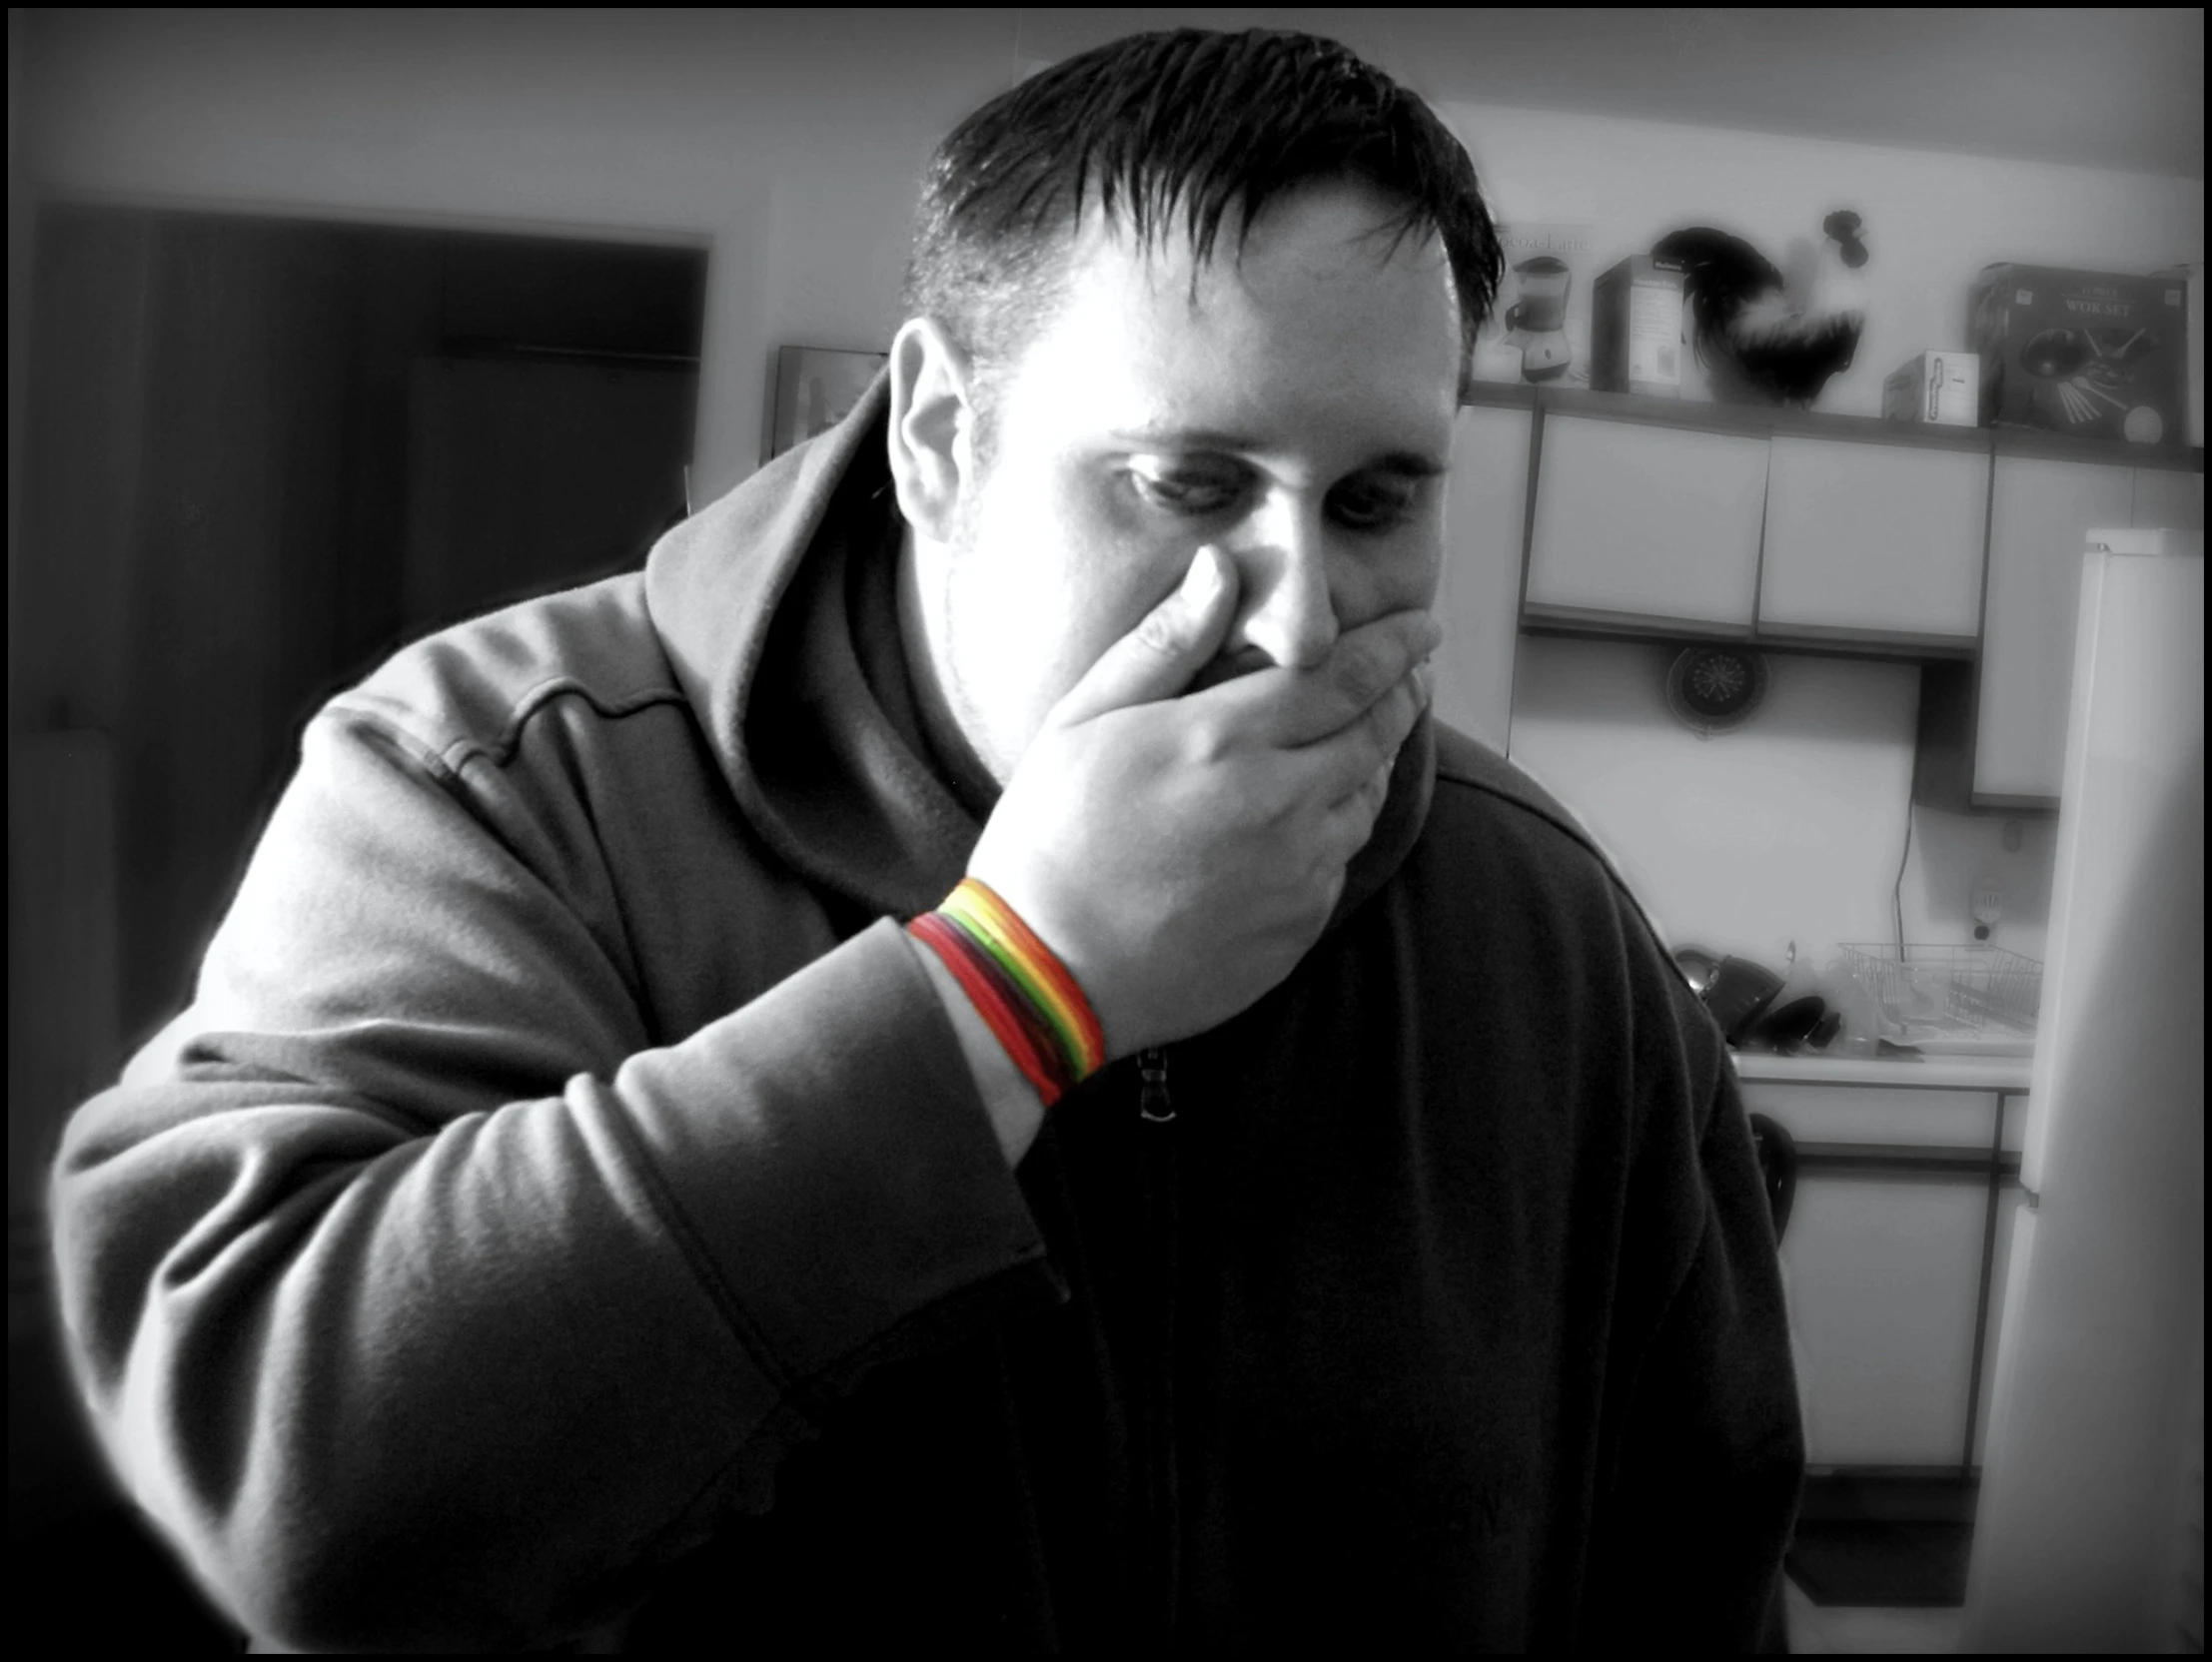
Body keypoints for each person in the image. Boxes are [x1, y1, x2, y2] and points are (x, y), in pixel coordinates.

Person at [49, 27, 1803, 1654]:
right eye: (1185, 486)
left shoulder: (1549, 924)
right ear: (940, 438)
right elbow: (304, 1491)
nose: (1290, 619)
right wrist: (1012, 990)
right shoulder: (491, 785)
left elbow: (1697, 1562)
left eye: (1373, 501)